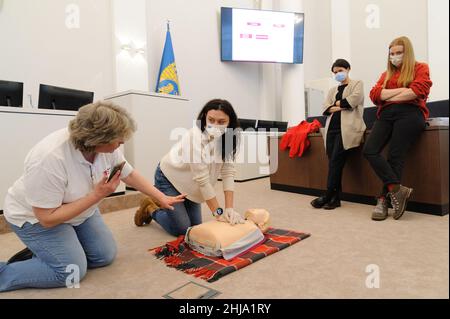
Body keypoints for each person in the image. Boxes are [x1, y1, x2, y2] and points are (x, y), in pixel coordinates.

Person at [0, 101, 185, 292]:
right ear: (98, 138)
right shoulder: (49, 158)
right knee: (71, 271)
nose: (122, 144)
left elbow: (128, 174)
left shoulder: (106, 149)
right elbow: (47, 218)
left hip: (77, 210)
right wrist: (98, 195)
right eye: (119, 140)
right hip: (35, 218)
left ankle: (49, 251)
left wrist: (160, 197)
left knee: (104, 256)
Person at [134, 99, 245, 236]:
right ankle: (151, 208)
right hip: (169, 178)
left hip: (190, 184)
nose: (215, 125)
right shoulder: (194, 137)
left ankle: (174, 207)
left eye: (221, 122)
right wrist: (218, 213)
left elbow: (228, 172)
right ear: (204, 117)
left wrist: (229, 208)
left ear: (230, 123)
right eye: (211, 120)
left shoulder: (228, 138)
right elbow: (202, 180)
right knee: (182, 230)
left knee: (195, 227)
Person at [364, 36, 432, 221]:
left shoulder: (420, 67)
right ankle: (397, 190)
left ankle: (383, 200)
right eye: (392, 53)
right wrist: (403, 90)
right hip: (386, 115)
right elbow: (374, 94)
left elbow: (417, 91)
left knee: (395, 156)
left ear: (407, 52)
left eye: (399, 53)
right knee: (370, 150)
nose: (394, 56)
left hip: (410, 113)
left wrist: (387, 96)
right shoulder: (386, 74)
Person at [311, 59, 366, 210]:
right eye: (335, 72)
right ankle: (335, 199)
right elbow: (325, 108)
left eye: (340, 70)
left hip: (347, 129)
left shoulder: (357, 84)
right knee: (334, 163)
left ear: (348, 69)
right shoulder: (332, 91)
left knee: (336, 161)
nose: (338, 74)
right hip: (331, 130)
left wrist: (335, 105)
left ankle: (328, 195)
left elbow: (352, 102)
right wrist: (340, 105)